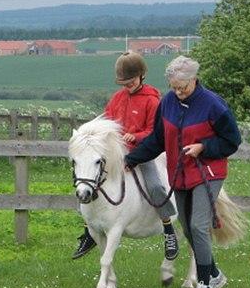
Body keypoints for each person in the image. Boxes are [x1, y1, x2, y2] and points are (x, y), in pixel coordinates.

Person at [124, 55, 242, 288]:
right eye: (174, 87)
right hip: (179, 173)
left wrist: (204, 147)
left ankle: (205, 287)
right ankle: (215, 274)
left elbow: (232, 140)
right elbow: (157, 139)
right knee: (187, 228)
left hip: (207, 172)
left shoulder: (213, 105)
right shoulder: (167, 102)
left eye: (183, 87)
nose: (178, 92)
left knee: (199, 225)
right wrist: (132, 159)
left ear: (194, 80)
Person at [73, 51, 179, 261]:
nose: (127, 85)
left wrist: (136, 136)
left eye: (131, 81)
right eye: (124, 82)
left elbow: (154, 132)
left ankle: (168, 230)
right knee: (89, 181)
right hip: (117, 155)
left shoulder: (152, 100)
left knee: (156, 185)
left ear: (141, 75)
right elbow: (105, 124)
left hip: (143, 152)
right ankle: (89, 231)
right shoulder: (117, 99)